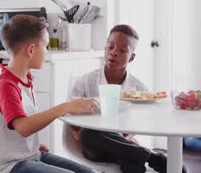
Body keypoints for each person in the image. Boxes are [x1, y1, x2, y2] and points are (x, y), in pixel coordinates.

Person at [0, 14, 98, 173]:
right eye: (45, 46)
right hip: (8, 166)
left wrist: (32, 146)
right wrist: (67, 107)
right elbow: (23, 127)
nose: (47, 51)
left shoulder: (25, 77)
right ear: (31, 49)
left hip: (29, 156)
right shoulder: (6, 84)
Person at [69, 24, 188, 173]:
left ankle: (139, 157)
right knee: (89, 132)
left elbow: (147, 120)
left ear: (131, 57)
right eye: (110, 47)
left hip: (124, 146)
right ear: (105, 49)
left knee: (131, 162)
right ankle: (152, 157)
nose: (114, 53)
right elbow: (73, 125)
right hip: (95, 146)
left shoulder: (139, 89)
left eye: (122, 50)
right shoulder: (84, 82)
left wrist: (124, 136)